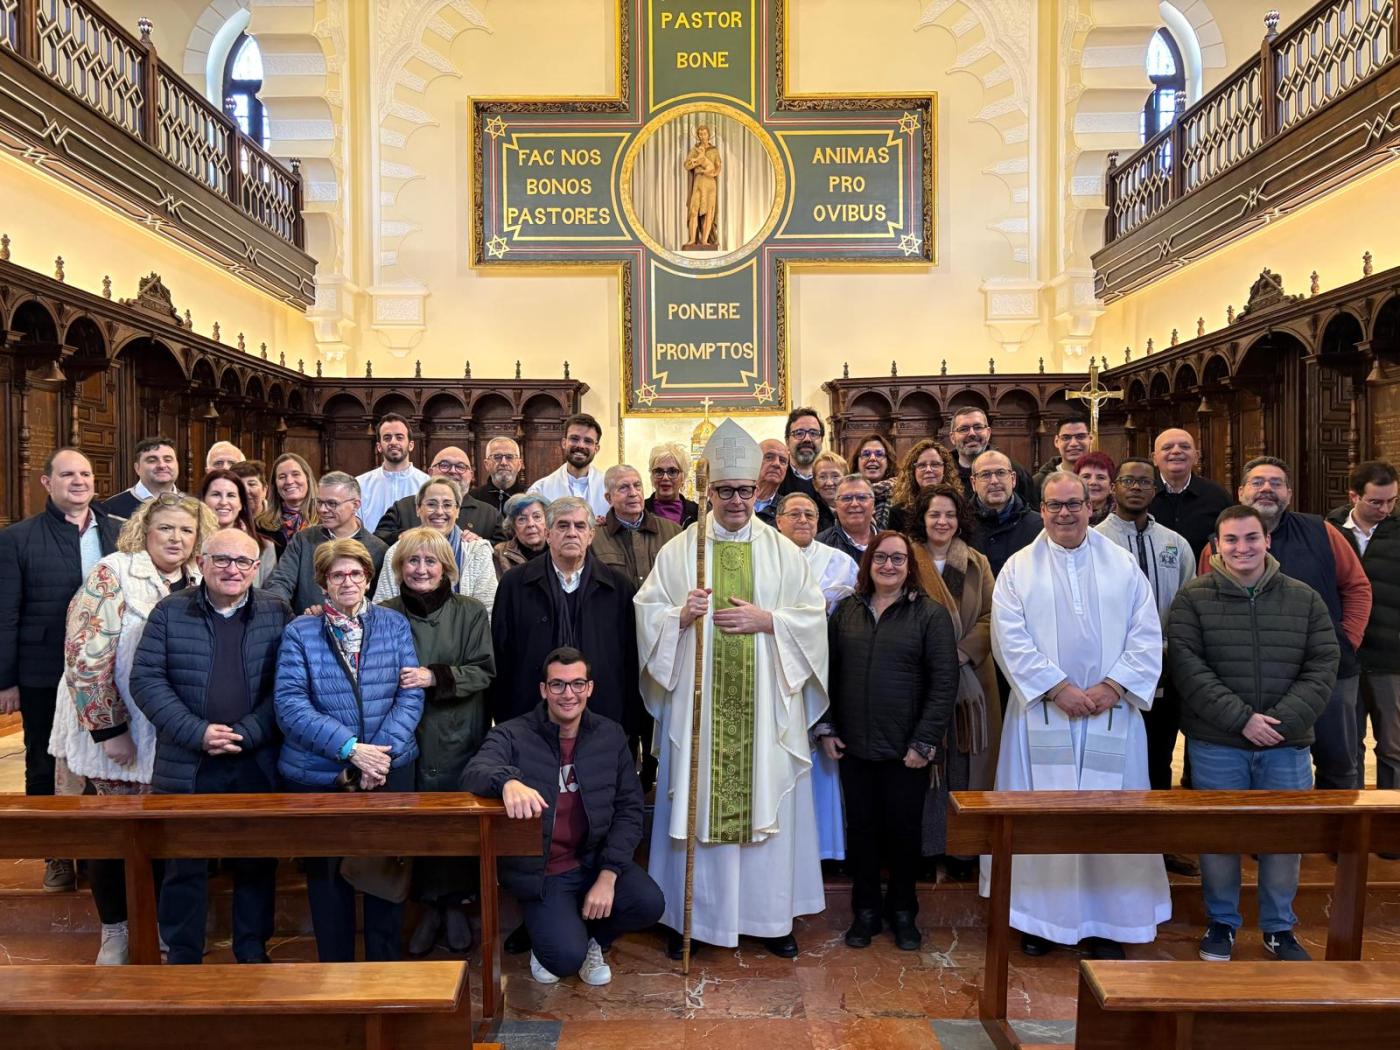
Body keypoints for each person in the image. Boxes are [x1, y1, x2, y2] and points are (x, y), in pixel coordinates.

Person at [635, 419, 828, 960]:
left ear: (757, 491)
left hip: (764, 710)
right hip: (698, 714)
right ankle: (688, 918)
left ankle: (770, 919)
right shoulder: (679, 553)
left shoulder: (784, 553)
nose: (737, 500)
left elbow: (813, 621)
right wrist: (678, 615)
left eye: (746, 490)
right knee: (695, 803)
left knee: (767, 802)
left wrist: (773, 622)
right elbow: (646, 615)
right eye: (725, 491)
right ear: (709, 491)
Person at [986, 471, 1169, 961]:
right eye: (1053, 505)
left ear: (1092, 505)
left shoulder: (1123, 564)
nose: (1064, 514)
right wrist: (1056, 687)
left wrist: (1114, 686)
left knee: (1110, 817)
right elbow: (1008, 637)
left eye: (1073, 504)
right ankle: (1042, 921)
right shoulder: (1018, 569)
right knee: (1045, 816)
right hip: (1043, 713)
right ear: (1040, 509)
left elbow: (1146, 632)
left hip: (1111, 712)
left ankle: (1111, 920)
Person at [1168, 506, 1339, 963]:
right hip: (1218, 742)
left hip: (1286, 743)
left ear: (1268, 541)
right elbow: (1187, 665)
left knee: (1284, 840)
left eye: (1250, 538)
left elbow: (1323, 664)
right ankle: (1222, 922)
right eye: (1231, 540)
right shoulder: (1193, 598)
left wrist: (1279, 721)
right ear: (1216, 545)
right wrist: (1242, 718)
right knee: (1220, 839)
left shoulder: (1304, 598)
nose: (1241, 548)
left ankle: (1279, 928)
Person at [50, 493, 215, 964]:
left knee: (165, 835)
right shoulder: (114, 571)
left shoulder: (201, 578)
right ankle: (115, 930)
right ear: (145, 530)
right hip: (117, 729)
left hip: (170, 732)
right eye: (166, 528)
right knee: (112, 836)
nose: (176, 538)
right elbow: (85, 655)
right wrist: (108, 730)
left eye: (186, 530)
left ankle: (163, 924)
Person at [129, 528, 291, 965]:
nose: (231, 570)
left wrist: (249, 731)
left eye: (242, 562)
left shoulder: (277, 611)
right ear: (201, 563)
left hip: (255, 758)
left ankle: (252, 950)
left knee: (256, 860)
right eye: (221, 559)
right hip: (187, 759)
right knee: (184, 863)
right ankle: (182, 954)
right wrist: (195, 731)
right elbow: (146, 680)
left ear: (257, 569)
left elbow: (290, 684)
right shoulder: (169, 611)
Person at [462, 647, 665, 986]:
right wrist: (507, 781)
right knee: (562, 959)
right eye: (557, 685)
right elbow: (474, 772)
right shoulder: (513, 734)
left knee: (649, 903)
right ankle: (553, 942)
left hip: (594, 859)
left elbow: (630, 809)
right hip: (546, 872)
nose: (568, 694)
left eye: (576, 684)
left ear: (590, 688)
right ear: (543, 690)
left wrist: (608, 875)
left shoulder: (610, 735)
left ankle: (594, 942)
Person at [274, 538, 424, 963]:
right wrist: (351, 749)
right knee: (327, 881)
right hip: (320, 773)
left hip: (389, 768)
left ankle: (384, 971)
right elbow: (289, 704)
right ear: (322, 582)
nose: (348, 581)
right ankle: (335, 974)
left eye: (356, 573)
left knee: (385, 875)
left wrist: (380, 755)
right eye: (338, 574)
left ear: (368, 578)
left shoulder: (394, 624)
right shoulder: (300, 631)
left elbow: (409, 692)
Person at [1197, 457, 1371, 790]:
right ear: (1241, 491)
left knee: (1339, 762)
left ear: (1288, 493)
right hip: (1255, 676)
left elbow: (1357, 586)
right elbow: (1207, 607)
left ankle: (1339, 841)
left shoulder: (1322, 531)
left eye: (1276, 483)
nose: (1266, 489)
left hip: (1328, 669)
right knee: (1269, 762)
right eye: (1257, 482)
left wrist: (1347, 640)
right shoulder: (1217, 546)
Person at [821, 532, 956, 951]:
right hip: (854, 747)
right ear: (868, 564)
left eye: (898, 559)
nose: (889, 566)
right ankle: (865, 912)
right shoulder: (846, 611)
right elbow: (826, 674)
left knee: (902, 833)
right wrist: (827, 727)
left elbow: (943, 683)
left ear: (910, 567)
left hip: (906, 750)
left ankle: (902, 911)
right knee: (861, 831)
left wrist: (924, 742)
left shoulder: (929, 615)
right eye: (881, 558)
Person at [0, 448, 120, 893]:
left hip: (105, 671)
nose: (79, 481)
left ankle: (96, 853)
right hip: (42, 671)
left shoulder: (118, 532)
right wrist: (6, 680)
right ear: (46, 483)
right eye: (67, 474)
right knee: (43, 762)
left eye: (85, 473)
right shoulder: (18, 539)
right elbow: (5, 614)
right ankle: (56, 854)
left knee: (100, 761)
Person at [378, 527, 495, 955]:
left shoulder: (470, 612)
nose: (421, 569)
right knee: (416, 821)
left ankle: (456, 905)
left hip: (457, 730)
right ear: (399, 568)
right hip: (402, 735)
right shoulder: (385, 613)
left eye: (430, 561)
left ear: (447, 567)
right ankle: (427, 905)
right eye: (412, 561)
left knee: (454, 820)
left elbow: (484, 670)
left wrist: (435, 676)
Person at [908, 484, 999, 880]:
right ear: (922, 519)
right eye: (934, 515)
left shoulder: (976, 562)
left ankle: (963, 851)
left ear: (959, 519)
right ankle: (926, 850)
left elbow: (994, 615)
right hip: (919, 679)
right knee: (926, 765)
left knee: (965, 765)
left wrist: (962, 651)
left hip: (970, 682)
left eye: (949, 515)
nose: (942, 522)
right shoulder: (907, 558)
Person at [491, 497, 639, 730]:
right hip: (528, 716)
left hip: (603, 717)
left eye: (580, 526)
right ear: (548, 534)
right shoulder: (514, 584)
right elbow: (501, 655)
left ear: (591, 536)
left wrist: (629, 722)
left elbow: (630, 661)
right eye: (562, 525)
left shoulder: (618, 588)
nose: (572, 533)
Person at [1097, 457, 1195, 800]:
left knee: (1159, 757)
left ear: (1155, 490)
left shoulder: (1175, 544)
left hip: (1163, 670)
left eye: (1144, 482)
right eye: (1128, 481)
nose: (1136, 488)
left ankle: (1160, 848)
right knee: (1114, 759)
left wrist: (1170, 653)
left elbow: (1186, 604)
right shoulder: (1095, 541)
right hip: (1110, 673)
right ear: (1114, 488)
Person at [774, 491, 857, 867]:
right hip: (777, 671)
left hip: (826, 668)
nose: (804, 520)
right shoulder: (767, 558)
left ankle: (827, 850)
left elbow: (838, 610)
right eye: (795, 514)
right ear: (778, 520)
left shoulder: (838, 561)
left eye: (810, 513)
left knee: (824, 764)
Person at [1327, 461, 1400, 791]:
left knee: (1394, 749)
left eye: (1392, 501)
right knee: (1345, 750)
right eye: (1376, 502)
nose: (1385, 509)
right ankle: (1348, 835)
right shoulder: (1327, 530)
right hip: (1344, 658)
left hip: (1391, 659)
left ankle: (1390, 834)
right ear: (1353, 496)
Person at [265, 472, 388, 614]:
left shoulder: (378, 549)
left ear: (355, 505)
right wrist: (280, 615)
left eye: (332, 503)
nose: (323, 510)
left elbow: (378, 603)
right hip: (304, 627)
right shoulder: (303, 539)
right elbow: (280, 582)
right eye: (320, 502)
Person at [372, 478, 496, 615]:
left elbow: (488, 611)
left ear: (458, 511)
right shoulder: (397, 551)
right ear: (418, 509)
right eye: (431, 504)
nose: (439, 512)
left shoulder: (477, 551)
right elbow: (382, 610)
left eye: (448, 505)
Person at [375, 445, 502, 546]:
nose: (453, 471)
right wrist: (402, 537)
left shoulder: (489, 514)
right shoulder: (403, 507)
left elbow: (503, 549)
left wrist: (481, 544)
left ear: (471, 475)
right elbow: (379, 539)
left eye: (460, 467)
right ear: (430, 472)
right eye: (444, 465)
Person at [591, 464, 682, 588]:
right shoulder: (594, 539)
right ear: (609, 498)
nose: (633, 493)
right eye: (624, 487)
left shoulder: (673, 531)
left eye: (637, 486)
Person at [1149, 428, 1231, 559]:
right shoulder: (1143, 495)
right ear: (1154, 458)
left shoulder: (1217, 496)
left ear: (1196, 457)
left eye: (1185, 447)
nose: (1176, 451)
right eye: (1167, 447)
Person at [967, 450, 1041, 576]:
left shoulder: (1039, 526)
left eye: (1001, 473)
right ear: (974, 483)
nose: (994, 481)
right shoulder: (961, 525)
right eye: (985, 475)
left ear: (1013, 479)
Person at [199, 468, 278, 587]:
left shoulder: (265, 547)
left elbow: (268, 597)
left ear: (241, 503)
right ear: (203, 500)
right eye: (216, 494)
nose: (223, 502)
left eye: (231, 495)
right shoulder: (188, 543)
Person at [356, 413, 430, 534]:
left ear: (411, 445)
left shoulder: (427, 484)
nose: (393, 442)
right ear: (379, 447)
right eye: (387, 438)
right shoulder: (360, 484)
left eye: (399, 437)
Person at [947, 406, 1034, 504]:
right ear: (952, 437)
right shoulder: (943, 475)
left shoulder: (1015, 471)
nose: (972, 433)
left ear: (988, 433)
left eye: (978, 427)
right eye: (963, 429)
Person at [528, 413, 608, 518]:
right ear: (564, 443)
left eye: (588, 441)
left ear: (596, 448)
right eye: (574, 439)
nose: (580, 445)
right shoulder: (540, 490)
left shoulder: (609, 489)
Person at [776, 408, 836, 531]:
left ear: (821, 439)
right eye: (799, 433)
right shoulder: (775, 479)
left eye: (814, 433)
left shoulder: (837, 480)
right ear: (787, 441)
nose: (807, 439)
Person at [886, 438, 962, 534]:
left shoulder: (958, 507)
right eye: (922, 465)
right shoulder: (898, 512)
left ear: (945, 470)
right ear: (913, 472)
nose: (928, 469)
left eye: (935, 464)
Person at [99, 436, 181, 521]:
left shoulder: (191, 505)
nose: (162, 465)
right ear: (137, 468)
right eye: (152, 460)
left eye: (168, 460)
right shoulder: (111, 509)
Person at [255, 452, 318, 559]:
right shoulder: (260, 526)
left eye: (295, 474)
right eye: (282, 477)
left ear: (307, 478)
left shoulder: (326, 519)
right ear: (275, 485)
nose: (289, 481)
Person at [816, 475, 878, 563]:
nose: (854, 504)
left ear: (873, 505)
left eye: (862, 497)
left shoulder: (890, 543)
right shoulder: (820, 546)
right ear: (835, 506)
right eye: (846, 498)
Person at [493, 492, 551, 579]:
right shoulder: (500, 553)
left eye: (537, 517)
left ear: (547, 522)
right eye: (522, 519)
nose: (530, 524)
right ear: (513, 526)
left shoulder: (560, 550)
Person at [1031, 416, 1092, 497]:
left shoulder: (1098, 478)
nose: (1073, 443)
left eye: (1080, 436)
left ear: (1090, 439)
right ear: (1056, 441)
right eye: (1066, 438)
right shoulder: (1038, 482)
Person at [684, 124, 722, 248]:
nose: (702, 136)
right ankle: (692, 240)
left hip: (710, 183)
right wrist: (695, 162)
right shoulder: (695, 150)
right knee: (694, 210)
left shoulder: (714, 150)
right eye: (700, 134)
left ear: (709, 134)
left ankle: (705, 240)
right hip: (698, 182)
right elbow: (687, 165)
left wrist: (713, 173)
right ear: (698, 135)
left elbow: (718, 166)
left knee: (709, 211)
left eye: (704, 133)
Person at [645, 442, 700, 528]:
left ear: (683, 477)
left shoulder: (698, 513)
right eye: (659, 471)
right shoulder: (640, 512)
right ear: (652, 477)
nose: (665, 477)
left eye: (672, 471)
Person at [471, 436, 527, 517]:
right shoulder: (473, 498)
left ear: (519, 464)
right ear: (487, 464)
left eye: (509, 457)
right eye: (497, 457)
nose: (503, 463)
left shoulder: (529, 495)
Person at [852, 434, 898, 529]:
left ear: (888, 462)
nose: (872, 458)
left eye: (879, 454)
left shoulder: (902, 494)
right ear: (857, 462)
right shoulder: (845, 493)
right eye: (866, 454)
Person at [754, 439, 791, 524]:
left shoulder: (788, 509)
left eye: (782, 461)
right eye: (769, 457)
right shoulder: (733, 499)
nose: (777, 464)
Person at [1077, 451, 1116, 526]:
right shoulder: (1064, 515)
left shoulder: (1122, 518)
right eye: (1086, 477)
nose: (1093, 482)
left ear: (1111, 487)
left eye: (1101, 477)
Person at [812, 450, 848, 524]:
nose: (829, 483)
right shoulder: (809, 512)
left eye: (835, 476)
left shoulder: (856, 509)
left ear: (846, 480)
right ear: (814, 484)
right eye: (822, 477)